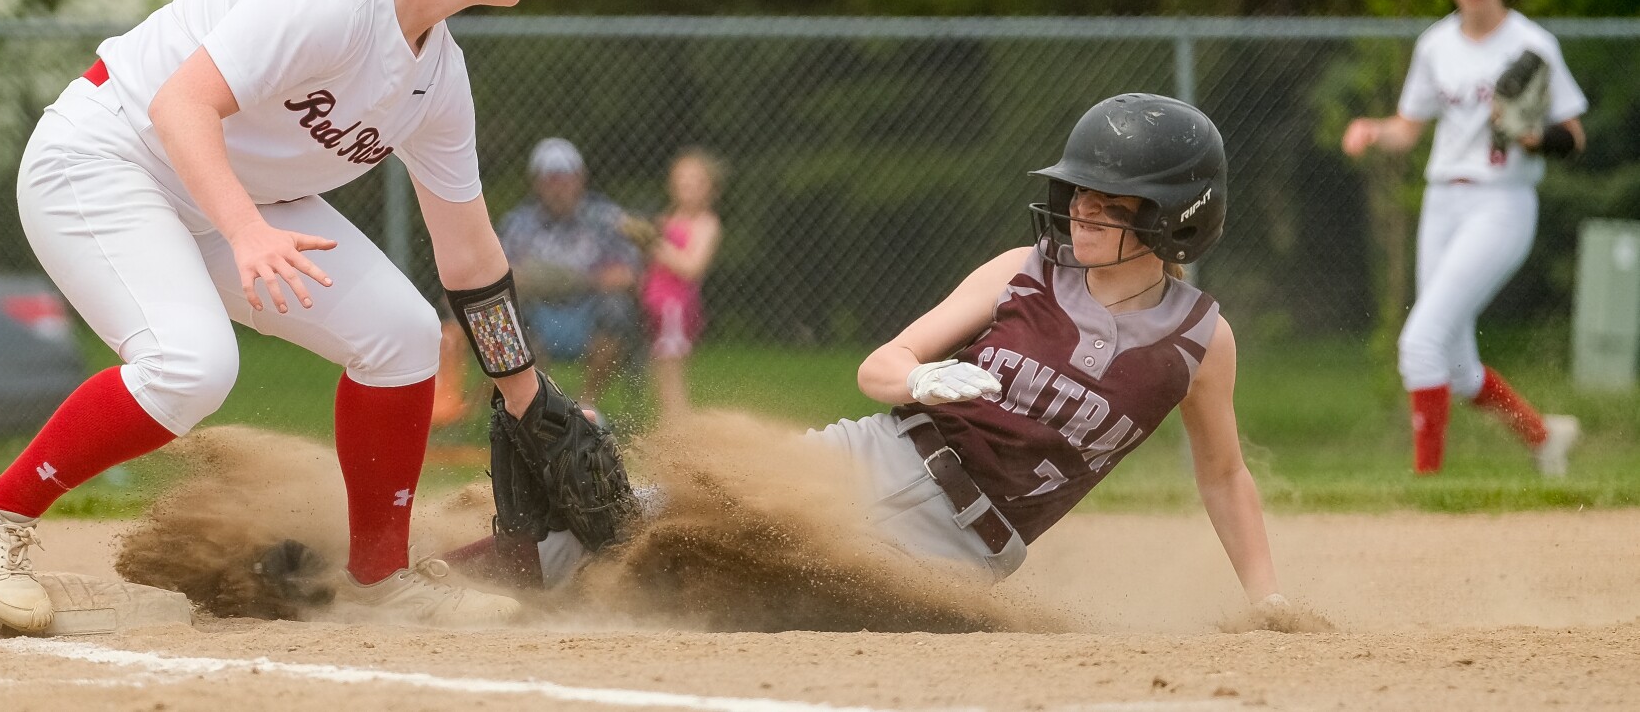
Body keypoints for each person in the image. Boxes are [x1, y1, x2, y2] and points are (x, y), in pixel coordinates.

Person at [0, 0, 629, 634]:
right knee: (190, 366)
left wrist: (524, 395)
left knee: (399, 335)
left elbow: (471, 261)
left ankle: (379, 577)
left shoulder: (438, 78)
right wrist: (246, 230)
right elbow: (183, 103)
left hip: (229, 199)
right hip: (106, 157)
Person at [442, 94, 1292, 615]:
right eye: (1078, 194)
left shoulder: (1199, 342)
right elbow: (880, 366)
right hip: (876, 454)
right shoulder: (1022, 270)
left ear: (1174, 219)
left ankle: (539, 585)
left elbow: (1223, 476)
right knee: (671, 511)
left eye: (1110, 203)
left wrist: (1267, 600)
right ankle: (454, 580)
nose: (1080, 213)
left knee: (734, 584)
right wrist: (919, 375)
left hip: (963, 548)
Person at [1342, 0, 1587, 477]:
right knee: (1454, 367)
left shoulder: (1532, 44)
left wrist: (1536, 139)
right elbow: (1408, 129)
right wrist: (1373, 130)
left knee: (1420, 342)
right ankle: (1544, 437)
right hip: (1442, 201)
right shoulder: (1436, 45)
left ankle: (1426, 482)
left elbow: (1573, 136)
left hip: (1501, 202)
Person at [497, 138, 643, 414]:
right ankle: (541, 404)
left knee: (618, 309)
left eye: (566, 178)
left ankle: (585, 404)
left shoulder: (606, 218)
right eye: (551, 180)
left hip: (589, 310)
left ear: (581, 178)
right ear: (536, 183)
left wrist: (573, 280)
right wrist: (541, 281)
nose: (559, 187)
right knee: (507, 313)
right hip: (539, 312)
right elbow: (500, 276)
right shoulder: (519, 223)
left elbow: (628, 275)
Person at [637, 150, 724, 417]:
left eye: (696, 180)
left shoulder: (706, 224)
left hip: (674, 309)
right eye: (682, 178)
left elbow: (692, 267)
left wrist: (655, 243)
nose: (687, 185)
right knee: (659, 371)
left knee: (671, 370)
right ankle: (670, 423)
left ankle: (677, 425)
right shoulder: (667, 219)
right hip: (655, 306)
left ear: (712, 189)